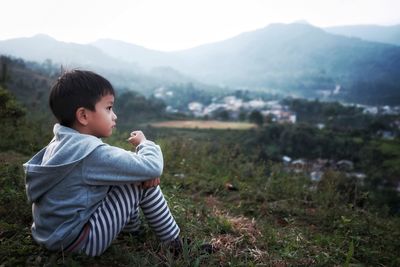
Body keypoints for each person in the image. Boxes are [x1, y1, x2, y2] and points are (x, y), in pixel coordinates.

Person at [23, 70, 181, 256]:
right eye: (108, 108)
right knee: (140, 179)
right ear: (83, 116)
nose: (114, 116)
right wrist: (144, 143)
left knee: (128, 175)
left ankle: (132, 232)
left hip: (51, 235)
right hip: (78, 244)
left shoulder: (61, 144)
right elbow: (153, 166)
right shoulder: (91, 154)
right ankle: (173, 242)